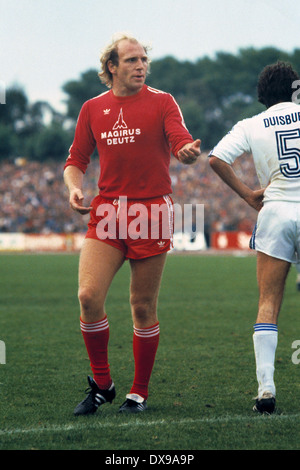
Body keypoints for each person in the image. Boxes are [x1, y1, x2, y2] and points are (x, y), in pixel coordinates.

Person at [63, 33, 201, 415]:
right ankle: (102, 384)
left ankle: (138, 393)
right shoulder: (92, 108)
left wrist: (187, 153)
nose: (141, 66)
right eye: (131, 60)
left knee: (142, 307)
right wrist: (75, 188)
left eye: (143, 60)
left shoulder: (162, 102)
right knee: (88, 297)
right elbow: (76, 159)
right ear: (112, 67)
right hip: (108, 212)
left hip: (152, 213)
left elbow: (180, 142)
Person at [209, 61, 300, 414]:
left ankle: (266, 388)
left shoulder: (251, 124)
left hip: (275, 212)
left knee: (268, 302)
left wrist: (248, 194)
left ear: (262, 95)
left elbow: (216, 158)